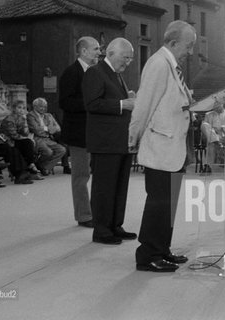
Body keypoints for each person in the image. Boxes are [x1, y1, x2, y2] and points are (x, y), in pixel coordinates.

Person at [129, 20, 196, 272]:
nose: (190, 51)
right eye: (188, 46)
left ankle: (162, 249)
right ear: (173, 42)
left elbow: (172, 101)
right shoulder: (158, 63)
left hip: (174, 147)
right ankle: (147, 255)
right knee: (158, 202)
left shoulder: (172, 65)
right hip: (160, 145)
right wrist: (132, 137)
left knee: (168, 202)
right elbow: (144, 104)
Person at [82, 37, 137, 245]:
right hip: (105, 143)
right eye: (126, 57)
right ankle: (102, 230)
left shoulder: (116, 75)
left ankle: (115, 225)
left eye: (130, 59)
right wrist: (124, 104)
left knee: (119, 187)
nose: (128, 62)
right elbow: (92, 103)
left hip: (119, 141)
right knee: (104, 188)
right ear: (111, 53)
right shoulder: (95, 73)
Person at [59, 36, 101, 228]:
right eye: (95, 49)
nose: (99, 52)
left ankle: (94, 211)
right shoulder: (71, 72)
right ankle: (83, 216)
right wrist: (91, 104)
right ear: (83, 51)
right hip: (78, 134)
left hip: (93, 132)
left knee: (94, 175)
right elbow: (65, 102)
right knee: (81, 176)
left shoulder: (95, 72)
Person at [0, 100, 43, 181]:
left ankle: (31, 167)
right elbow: (13, 135)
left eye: (23, 108)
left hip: (18, 141)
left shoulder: (21, 118)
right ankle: (31, 166)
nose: (21, 110)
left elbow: (25, 133)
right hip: (9, 141)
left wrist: (25, 123)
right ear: (13, 109)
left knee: (29, 143)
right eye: (19, 108)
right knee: (27, 143)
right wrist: (25, 138)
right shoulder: (9, 119)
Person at [27, 98, 66, 176]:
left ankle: (45, 168)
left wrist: (46, 129)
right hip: (37, 138)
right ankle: (39, 165)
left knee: (62, 150)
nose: (43, 108)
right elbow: (36, 130)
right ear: (35, 106)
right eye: (41, 106)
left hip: (48, 138)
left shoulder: (49, 115)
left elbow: (58, 128)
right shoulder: (30, 115)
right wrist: (48, 128)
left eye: (45, 106)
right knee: (48, 152)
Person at [200, 100, 225, 172]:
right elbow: (205, 129)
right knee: (204, 125)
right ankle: (216, 141)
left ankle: (207, 165)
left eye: (218, 104)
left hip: (223, 137)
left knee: (210, 142)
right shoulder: (208, 114)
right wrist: (213, 131)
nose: (216, 106)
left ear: (223, 103)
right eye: (215, 105)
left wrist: (221, 128)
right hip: (212, 137)